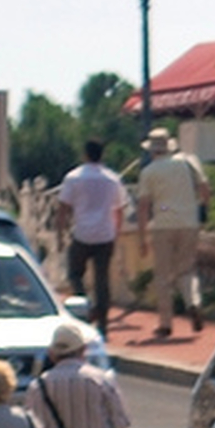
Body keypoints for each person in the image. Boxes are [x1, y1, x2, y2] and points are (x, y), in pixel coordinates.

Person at [133, 127, 209, 339]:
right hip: (189, 222)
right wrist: (199, 207)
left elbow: (143, 207)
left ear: (151, 150)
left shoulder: (149, 172)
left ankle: (166, 323)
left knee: (163, 276)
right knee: (187, 270)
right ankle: (193, 302)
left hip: (163, 223)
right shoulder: (188, 162)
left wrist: (142, 237)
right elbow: (205, 189)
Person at [54, 139, 130, 334]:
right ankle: (103, 322)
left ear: (85, 154)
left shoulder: (74, 177)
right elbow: (120, 209)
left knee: (74, 273)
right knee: (102, 280)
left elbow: (62, 208)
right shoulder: (112, 179)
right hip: (105, 234)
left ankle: (84, 306)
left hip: (82, 233)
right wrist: (116, 232)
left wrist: (60, 235)